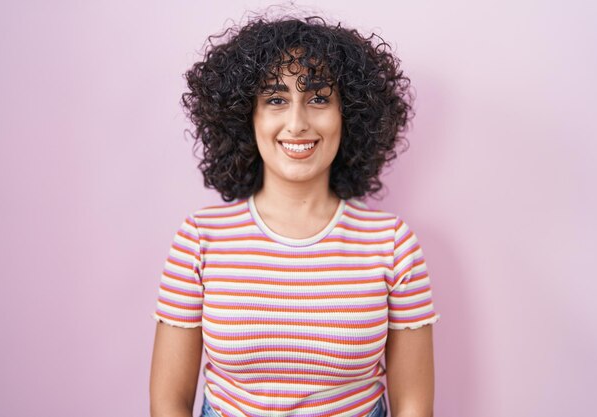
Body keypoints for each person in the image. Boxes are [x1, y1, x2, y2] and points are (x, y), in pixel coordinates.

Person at [149, 13, 440, 417]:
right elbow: (168, 403)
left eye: (319, 98)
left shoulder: (392, 244)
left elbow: (413, 406)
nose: (297, 123)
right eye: (275, 99)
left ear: (349, 115)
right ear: (245, 117)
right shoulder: (199, 239)